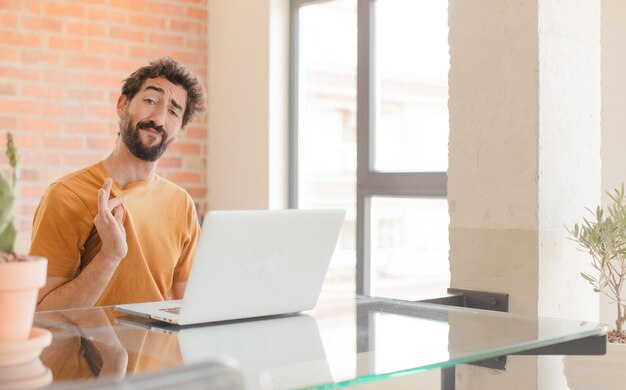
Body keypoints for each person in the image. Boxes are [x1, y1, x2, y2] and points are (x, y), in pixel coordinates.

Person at [32, 57, 206, 310]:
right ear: (122, 105)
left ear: (180, 128)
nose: (158, 119)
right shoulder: (66, 195)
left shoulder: (181, 204)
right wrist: (109, 257)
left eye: (173, 111)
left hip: (156, 350)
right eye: (150, 101)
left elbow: (193, 305)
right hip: (82, 351)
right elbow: (43, 313)